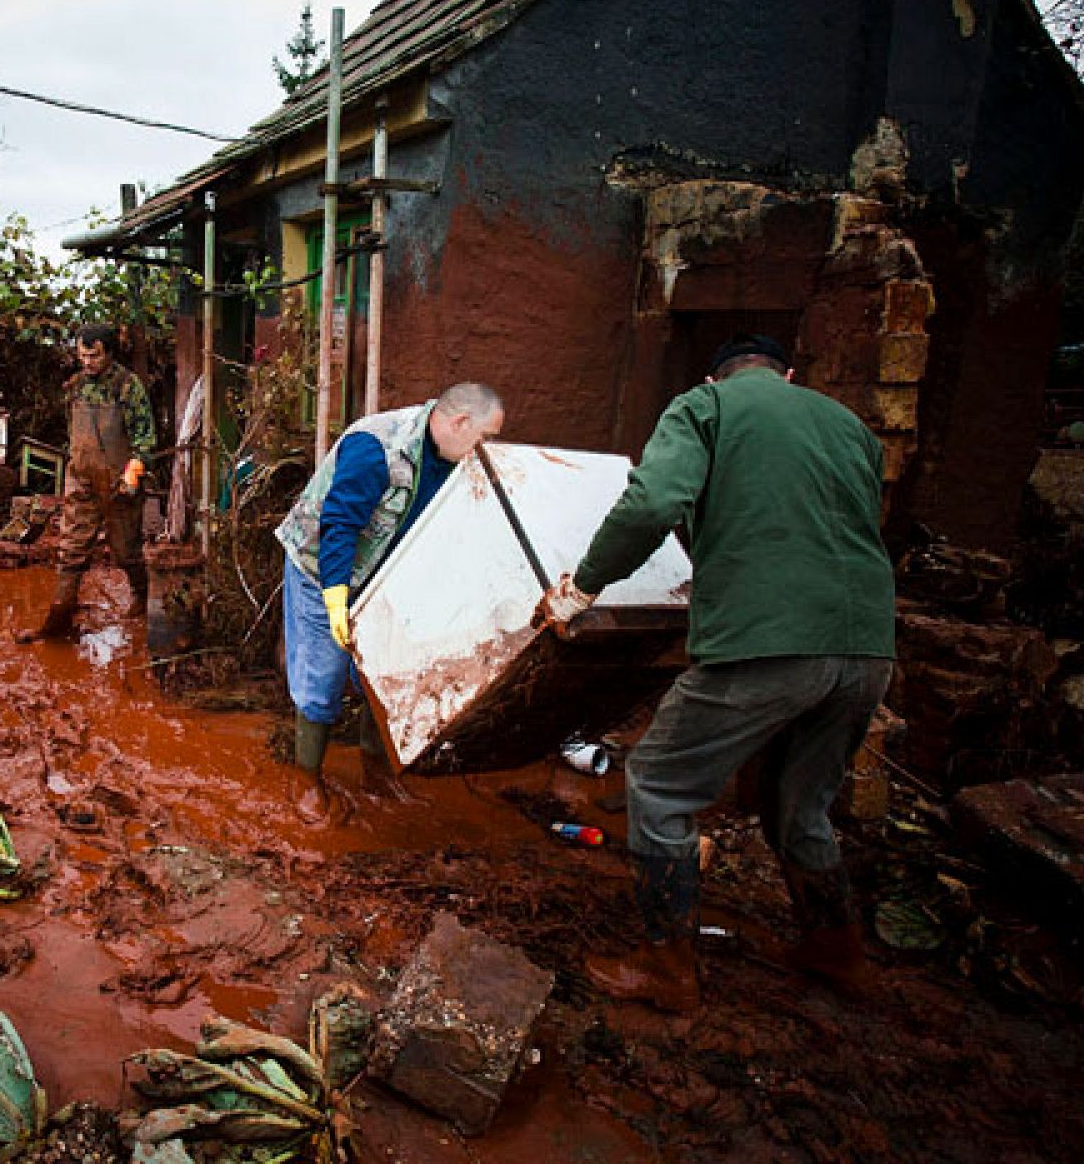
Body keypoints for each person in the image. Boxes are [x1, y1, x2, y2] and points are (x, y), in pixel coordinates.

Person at [534, 334, 894, 1011]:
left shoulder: (705, 407)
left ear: (714, 375)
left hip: (768, 642)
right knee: (800, 800)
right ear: (788, 375)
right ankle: (836, 945)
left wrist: (582, 588)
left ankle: (667, 967)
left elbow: (650, 506)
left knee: (660, 782)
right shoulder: (849, 426)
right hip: (868, 646)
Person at [276, 382, 506, 821]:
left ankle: (378, 775)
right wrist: (337, 599)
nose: (487, 451)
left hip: (386, 576)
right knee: (323, 676)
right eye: (486, 438)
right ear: (459, 423)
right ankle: (305, 778)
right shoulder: (376, 446)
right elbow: (338, 526)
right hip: (322, 567)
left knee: (387, 673)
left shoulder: (456, 460)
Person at [25, 325, 156, 640]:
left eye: (94, 355)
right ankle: (59, 618)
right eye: (83, 355)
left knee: (126, 552)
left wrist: (130, 478)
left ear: (109, 353)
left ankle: (144, 596)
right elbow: (75, 434)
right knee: (71, 549)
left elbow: (145, 439)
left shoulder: (128, 387)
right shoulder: (76, 387)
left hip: (119, 484)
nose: (87, 362)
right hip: (82, 482)